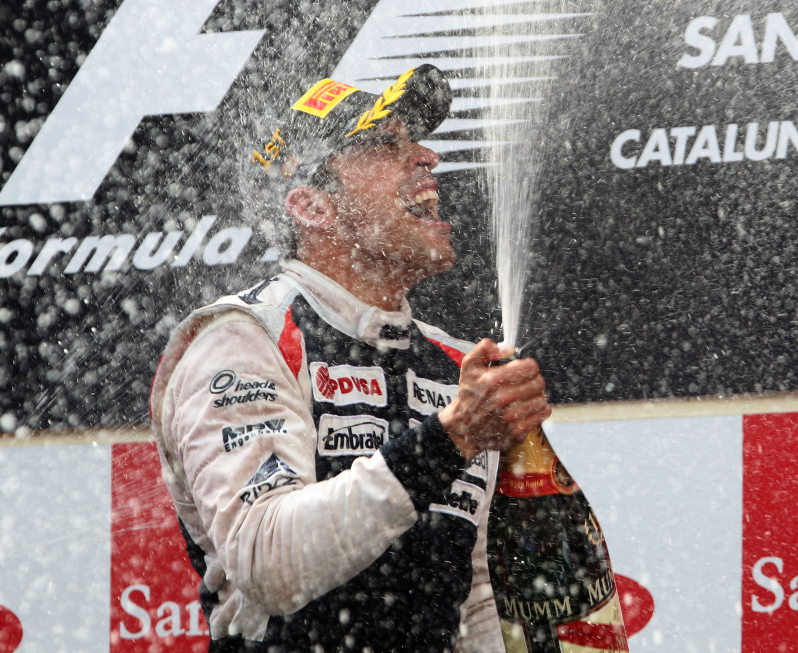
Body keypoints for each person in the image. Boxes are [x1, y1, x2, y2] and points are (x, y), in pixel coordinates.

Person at [149, 64, 552, 652]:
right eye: (388, 144)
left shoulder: (455, 362)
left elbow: (476, 593)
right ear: (313, 207)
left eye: (416, 141)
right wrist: (449, 439)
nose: (425, 157)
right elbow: (267, 562)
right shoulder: (243, 338)